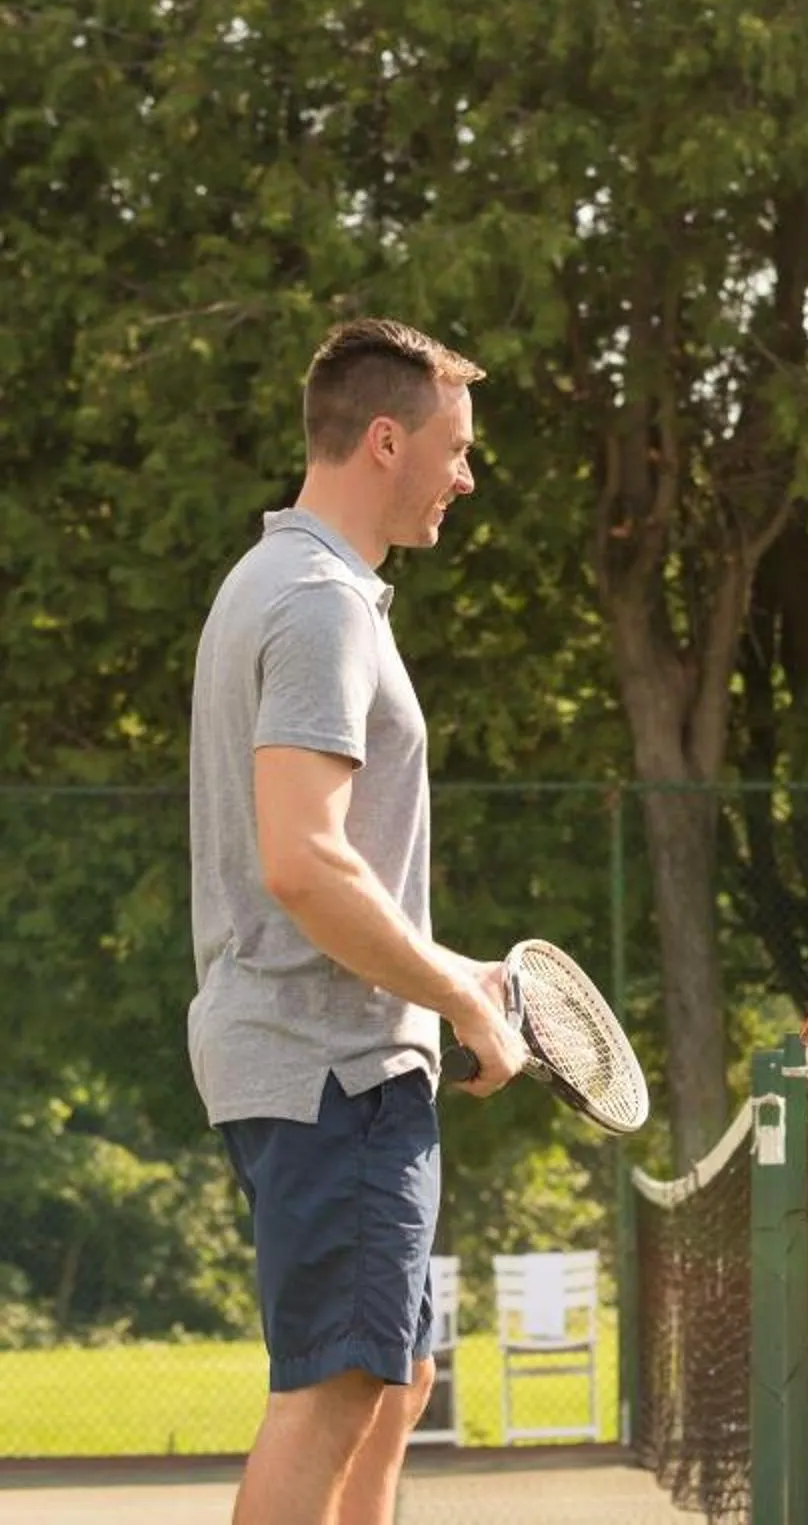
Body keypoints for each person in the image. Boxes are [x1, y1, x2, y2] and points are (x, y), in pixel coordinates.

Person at [188, 317, 528, 1525]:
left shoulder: (289, 586)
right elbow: (304, 862)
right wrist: (455, 993)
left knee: (396, 1373)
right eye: (456, 447)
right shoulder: (319, 604)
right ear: (387, 440)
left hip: (331, 1058)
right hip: (328, 1064)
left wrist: (443, 973)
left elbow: (327, 866)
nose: (467, 475)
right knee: (337, 1384)